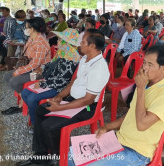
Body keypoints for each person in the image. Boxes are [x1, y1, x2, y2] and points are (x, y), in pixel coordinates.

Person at [68, 45, 164, 166]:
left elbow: (141, 124)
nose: (144, 67)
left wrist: (140, 89)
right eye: (144, 62)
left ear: (163, 68)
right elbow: (130, 115)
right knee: (70, 156)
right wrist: (107, 127)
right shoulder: (145, 83)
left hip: (137, 152)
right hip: (118, 140)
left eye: (150, 65)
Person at [16, 29, 109, 166]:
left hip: (88, 107)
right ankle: (41, 155)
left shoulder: (99, 68)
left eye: (82, 42)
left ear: (92, 46)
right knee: (40, 110)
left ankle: (59, 158)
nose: (79, 44)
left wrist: (61, 107)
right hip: (74, 99)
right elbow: (73, 82)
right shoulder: (85, 58)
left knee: (49, 125)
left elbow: (88, 100)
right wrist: (59, 97)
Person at [21, 28, 81, 126]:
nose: (58, 41)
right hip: (50, 82)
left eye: (60, 40)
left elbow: (63, 80)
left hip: (60, 88)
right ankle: (37, 115)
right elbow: (51, 65)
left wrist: (42, 83)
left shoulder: (72, 59)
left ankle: (36, 123)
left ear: (66, 42)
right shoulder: (62, 53)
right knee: (24, 92)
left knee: (32, 98)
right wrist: (42, 69)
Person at [2, 17, 51, 115]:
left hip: (39, 71)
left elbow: (35, 64)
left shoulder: (41, 43)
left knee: (14, 81)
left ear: (32, 29)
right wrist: (19, 66)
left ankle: (23, 102)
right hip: (30, 68)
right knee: (7, 76)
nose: (25, 29)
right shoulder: (31, 39)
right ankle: (24, 99)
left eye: (27, 27)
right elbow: (26, 57)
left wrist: (19, 71)